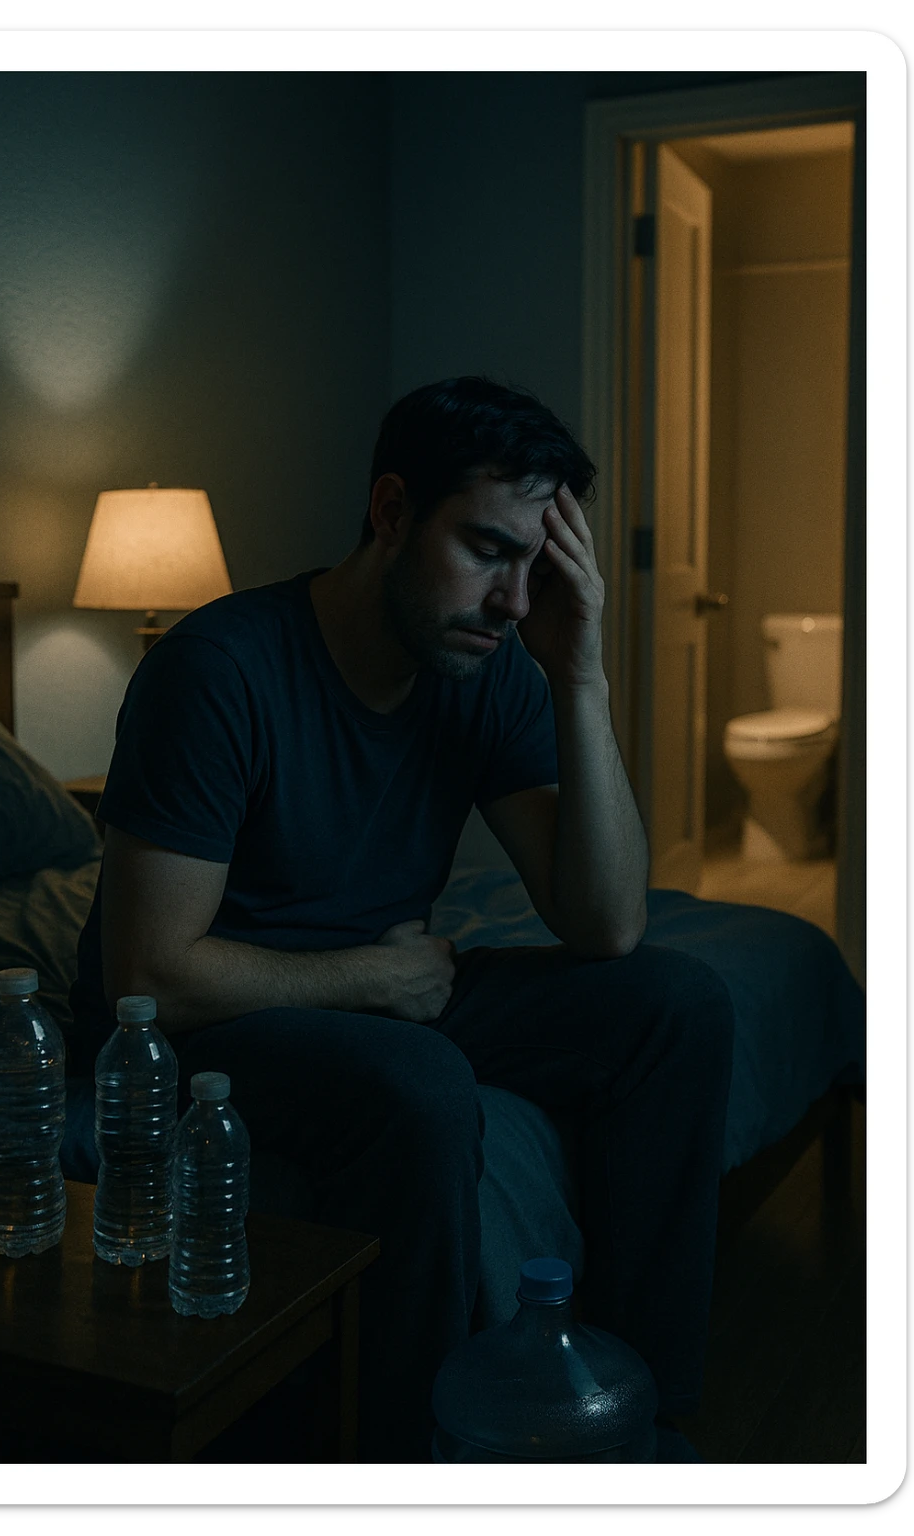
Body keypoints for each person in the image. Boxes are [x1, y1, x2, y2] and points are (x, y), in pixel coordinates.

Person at [68, 376, 734, 1463]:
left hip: (386, 987)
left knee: (674, 1003)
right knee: (423, 1086)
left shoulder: (483, 663)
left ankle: (639, 1414)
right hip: (208, 1023)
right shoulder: (217, 670)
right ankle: (402, 1456)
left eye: (535, 561)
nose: (513, 598)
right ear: (388, 512)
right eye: (485, 549)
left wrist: (580, 675)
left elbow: (604, 924)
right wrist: (368, 983)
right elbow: (147, 975)